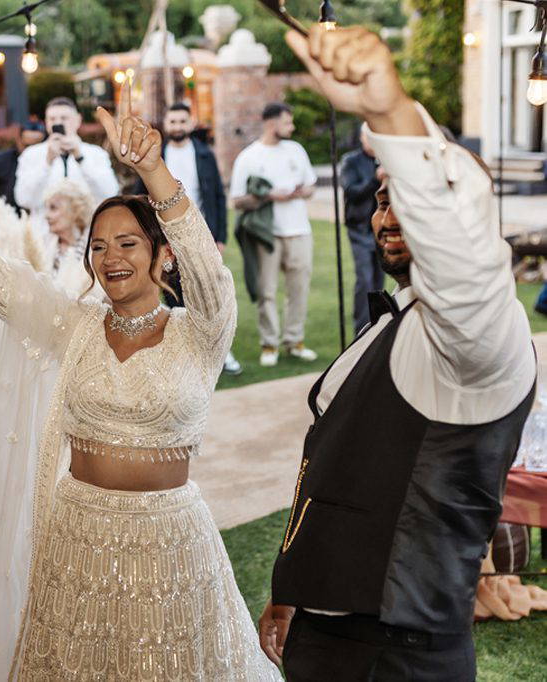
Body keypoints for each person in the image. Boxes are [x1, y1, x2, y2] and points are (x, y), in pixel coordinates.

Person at [0, 84, 279, 680]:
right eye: (99, 246)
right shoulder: (77, 326)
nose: (110, 257)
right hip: (77, 532)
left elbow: (211, 272)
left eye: (127, 243)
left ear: (161, 255)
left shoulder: (200, 330)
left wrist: (153, 172)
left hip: (169, 538)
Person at [258, 26, 537, 682]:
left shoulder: (481, 339)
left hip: (398, 655)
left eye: (406, 200)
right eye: (381, 201)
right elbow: (336, 468)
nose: (388, 218)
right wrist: (295, 586)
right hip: (327, 633)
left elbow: (463, 256)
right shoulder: (389, 322)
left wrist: (390, 114)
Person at [135, 102, 241, 375]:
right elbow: (140, 197)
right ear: (166, 124)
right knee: (173, 297)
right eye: (173, 122)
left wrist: (220, 237)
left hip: (202, 236)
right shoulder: (155, 156)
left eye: (183, 121)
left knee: (208, 292)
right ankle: (186, 354)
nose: (178, 126)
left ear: (190, 123)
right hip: (165, 238)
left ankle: (221, 351)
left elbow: (217, 196)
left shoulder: (204, 154)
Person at [231, 102, 318, 367]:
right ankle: (269, 344)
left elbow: (311, 186)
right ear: (271, 123)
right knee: (267, 291)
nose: (291, 127)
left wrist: (297, 192)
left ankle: (295, 341)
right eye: (287, 122)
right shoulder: (249, 157)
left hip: (299, 231)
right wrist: (269, 195)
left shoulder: (296, 151)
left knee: (298, 289)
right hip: (267, 234)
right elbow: (236, 200)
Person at [14, 97, 119, 215]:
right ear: (46, 122)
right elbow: (23, 199)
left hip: (87, 230)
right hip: (44, 230)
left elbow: (109, 194)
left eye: (64, 118)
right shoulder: (31, 155)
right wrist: (47, 162)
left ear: (78, 120)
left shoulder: (96, 153)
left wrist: (80, 158)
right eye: (52, 119)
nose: (58, 123)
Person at [340, 129, 385, 335]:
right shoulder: (351, 162)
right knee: (365, 278)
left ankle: (379, 325)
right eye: (368, 136)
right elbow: (352, 192)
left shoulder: (385, 160)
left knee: (379, 279)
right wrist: (375, 180)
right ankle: (362, 329)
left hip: (381, 229)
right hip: (359, 228)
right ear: (361, 137)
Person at [0, 121, 45, 212]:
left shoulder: (54, 164)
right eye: (27, 145)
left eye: (36, 146)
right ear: (18, 141)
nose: (31, 151)